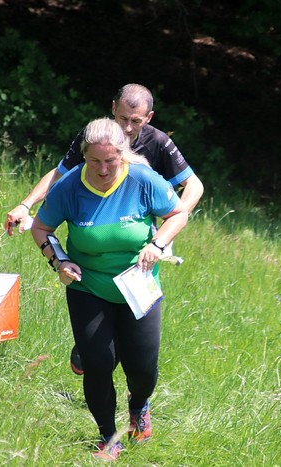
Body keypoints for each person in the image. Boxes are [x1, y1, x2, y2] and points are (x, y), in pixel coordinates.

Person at [8, 83, 204, 374]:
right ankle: (93, 345)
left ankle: (127, 373)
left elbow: (194, 185)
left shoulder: (158, 142)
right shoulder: (96, 138)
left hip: (138, 241)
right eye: (122, 118)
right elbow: (60, 175)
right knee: (100, 345)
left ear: (149, 118)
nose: (127, 127)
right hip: (94, 234)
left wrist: (169, 228)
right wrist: (26, 205)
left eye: (135, 121)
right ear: (113, 108)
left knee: (137, 343)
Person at [31, 118, 189, 460]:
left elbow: (178, 213)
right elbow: (41, 227)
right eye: (94, 161)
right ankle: (108, 437)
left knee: (142, 369)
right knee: (98, 363)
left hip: (138, 286)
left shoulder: (143, 179)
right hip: (89, 287)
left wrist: (158, 244)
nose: (102, 169)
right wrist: (59, 260)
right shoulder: (70, 186)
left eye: (110, 161)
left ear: (123, 155)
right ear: (84, 156)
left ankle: (139, 405)